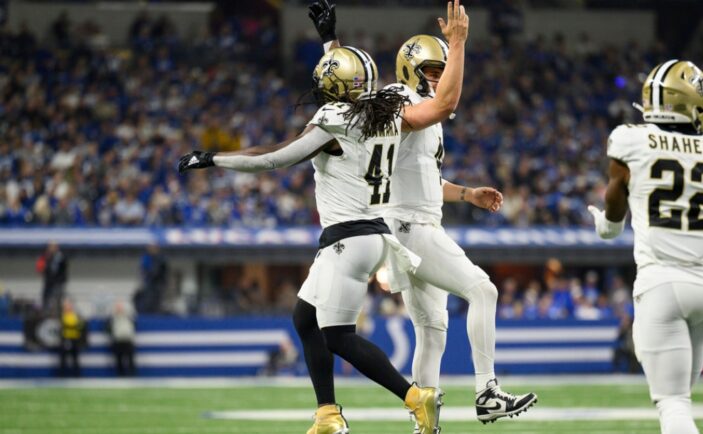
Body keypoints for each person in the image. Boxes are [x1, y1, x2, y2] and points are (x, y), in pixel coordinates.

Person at [178, 3, 469, 430]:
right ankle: (328, 413)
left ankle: (415, 396)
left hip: (349, 237)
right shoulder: (383, 113)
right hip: (366, 234)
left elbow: (273, 158)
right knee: (304, 317)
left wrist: (214, 158)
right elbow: (352, 83)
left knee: (338, 336)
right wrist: (329, 41)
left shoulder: (333, 120)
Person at [308, 0, 537, 425]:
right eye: (433, 70)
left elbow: (422, 178)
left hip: (412, 223)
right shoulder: (398, 98)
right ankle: (487, 390)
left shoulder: (412, 113)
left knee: (432, 331)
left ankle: (423, 422)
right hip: (409, 227)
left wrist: (466, 194)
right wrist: (459, 42)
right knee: (483, 290)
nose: (439, 78)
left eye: (441, 69)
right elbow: (350, 90)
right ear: (410, 70)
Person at [588, 59, 703, 434]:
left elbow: (613, 218)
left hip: (660, 286)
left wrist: (603, 225)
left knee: (672, 405)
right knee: (679, 402)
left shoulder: (632, 141)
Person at [107, 301, 136, 377]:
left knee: (130, 358)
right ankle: (121, 375)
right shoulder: (113, 318)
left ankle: (132, 375)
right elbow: (108, 328)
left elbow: (134, 325)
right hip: (118, 340)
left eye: (120, 308)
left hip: (127, 340)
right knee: (119, 359)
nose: (119, 309)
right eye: (118, 308)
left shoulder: (128, 317)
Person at [38, 241, 67, 313]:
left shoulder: (60, 256)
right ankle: (45, 313)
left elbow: (62, 268)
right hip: (48, 282)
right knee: (46, 299)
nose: (50, 249)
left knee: (57, 299)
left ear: (56, 247)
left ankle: (57, 313)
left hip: (58, 283)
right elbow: (42, 268)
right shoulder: (46, 257)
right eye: (49, 247)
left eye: (52, 247)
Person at [59, 299, 84, 377]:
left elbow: (80, 326)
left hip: (74, 339)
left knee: (75, 358)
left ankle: (77, 375)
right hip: (65, 339)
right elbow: (61, 328)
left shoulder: (76, 316)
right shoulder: (61, 316)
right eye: (66, 307)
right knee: (63, 359)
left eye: (69, 306)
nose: (68, 308)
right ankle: (62, 375)